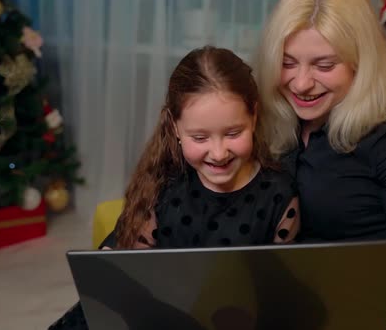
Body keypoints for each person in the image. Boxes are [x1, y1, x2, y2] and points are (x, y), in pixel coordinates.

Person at [49, 46, 300, 329]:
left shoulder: (278, 195)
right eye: (200, 137)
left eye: (233, 133)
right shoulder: (164, 182)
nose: (218, 153)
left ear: (254, 116)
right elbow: (124, 270)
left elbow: (278, 295)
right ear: (175, 126)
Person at [254, 0, 386, 329]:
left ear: (359, 64)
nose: (301, 83)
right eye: (288, 63)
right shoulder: (275, 120)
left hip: (357, 308)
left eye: (324, 65)